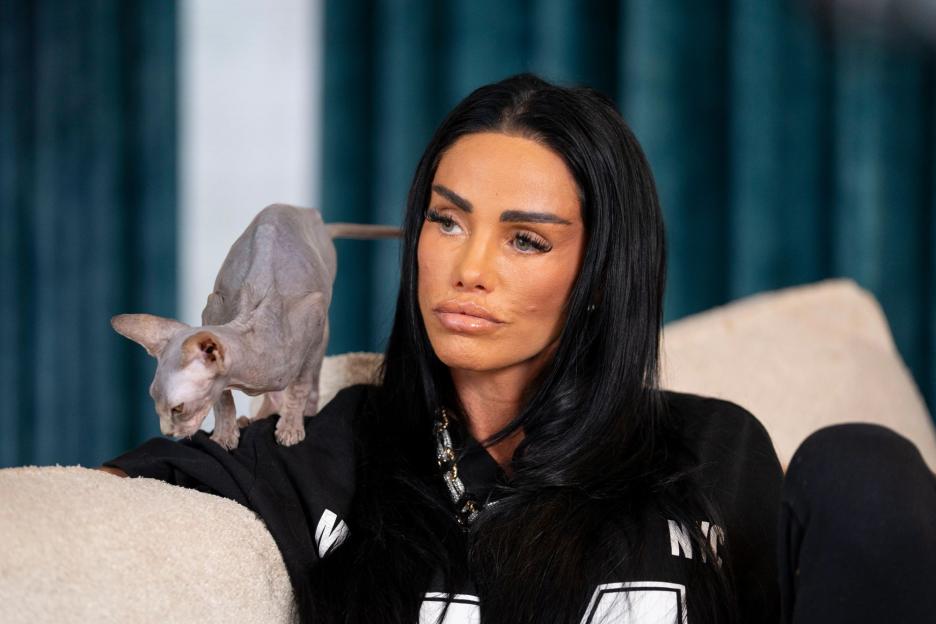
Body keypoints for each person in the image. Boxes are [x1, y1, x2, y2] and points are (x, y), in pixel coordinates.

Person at [97, 74, 935, 624]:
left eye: (526, 240)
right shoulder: (327, 450)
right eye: (447, 221)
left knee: (864, 467)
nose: (468, 269)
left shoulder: (715, 450)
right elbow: (96, 503)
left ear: (599, 275)